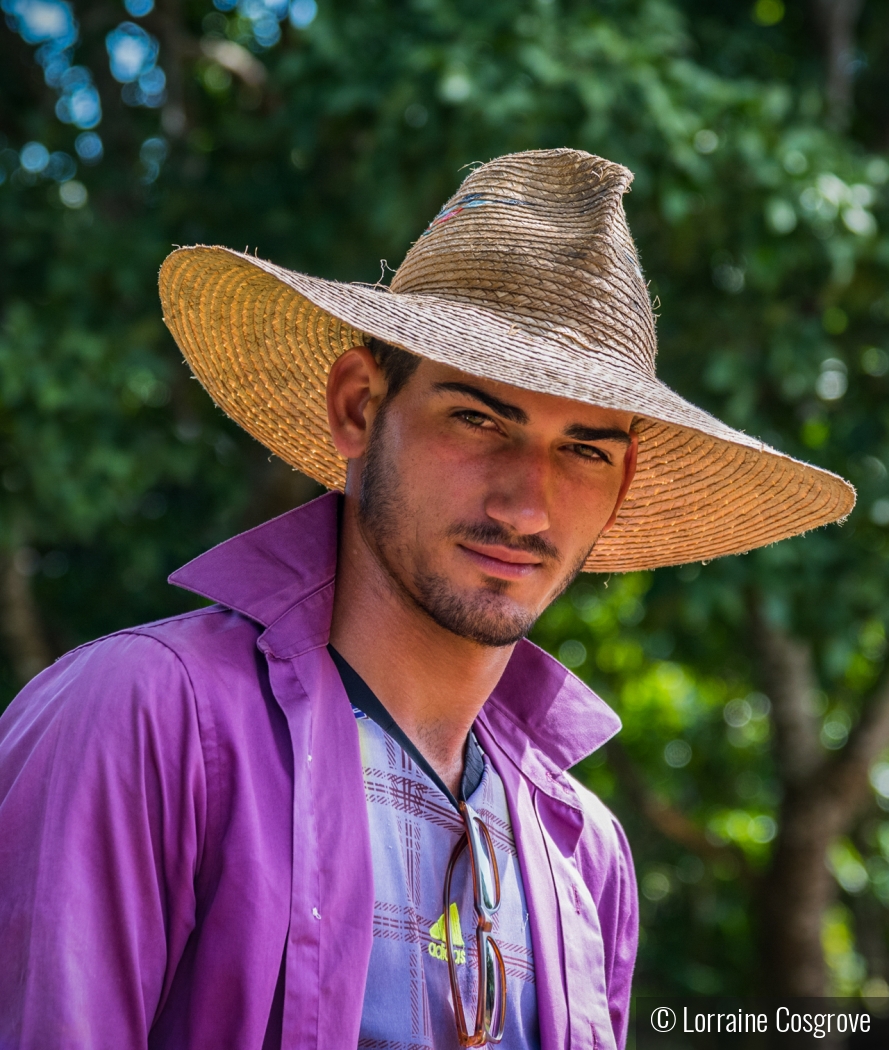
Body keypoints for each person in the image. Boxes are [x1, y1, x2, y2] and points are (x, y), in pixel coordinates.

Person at [0, 149, 853, 1050]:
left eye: (584, 450)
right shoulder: (150, 718)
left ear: (621, 482)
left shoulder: (580, 852)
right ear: (359, 406)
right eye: (478, 419)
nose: (525, 504)